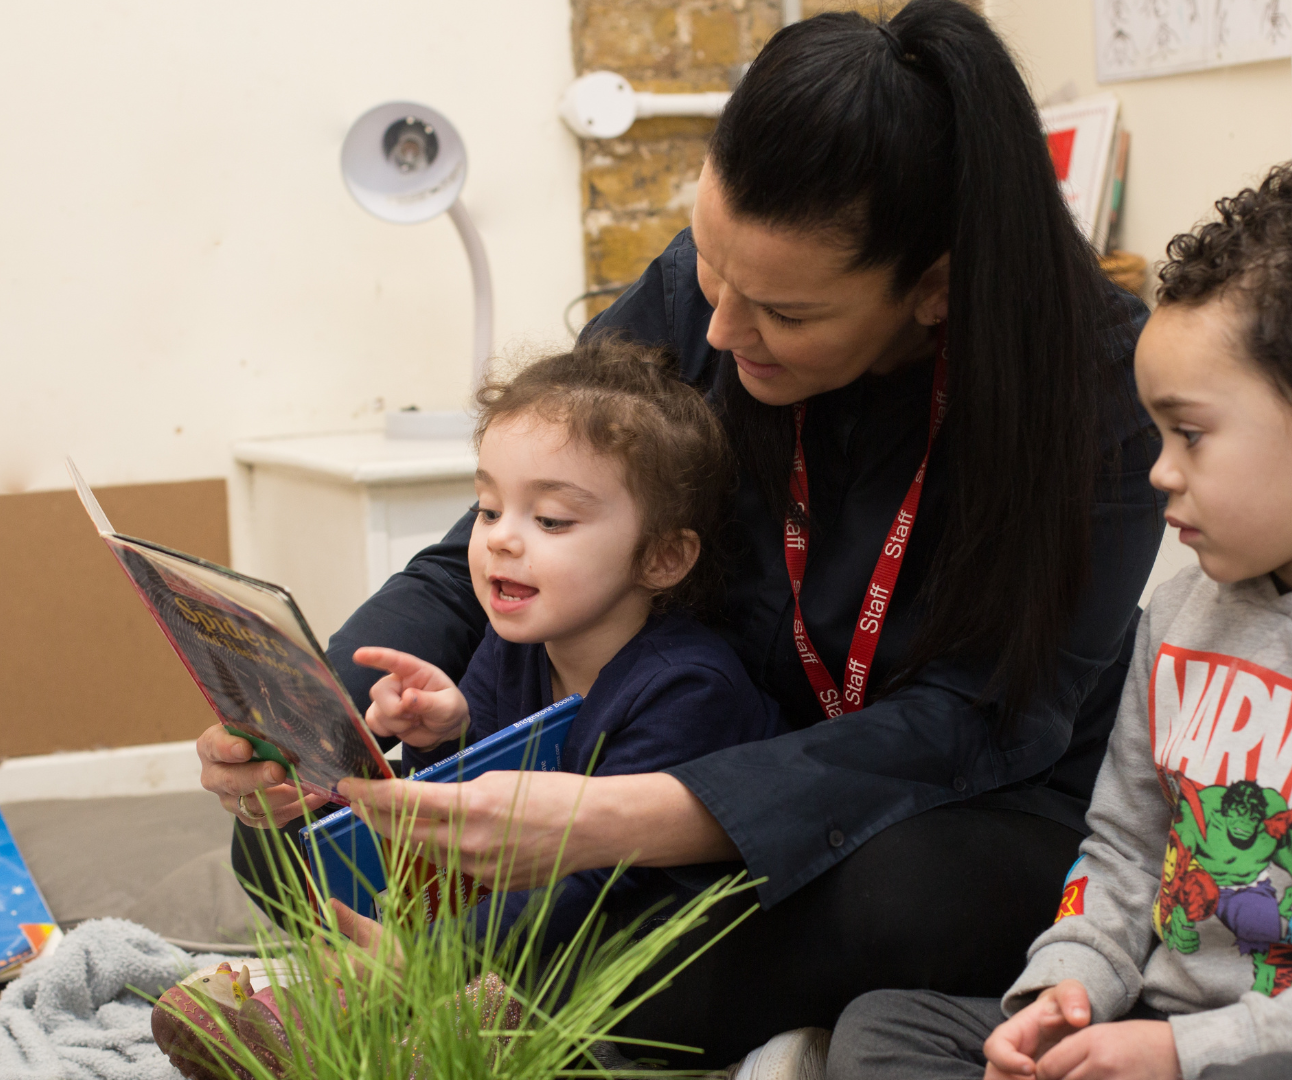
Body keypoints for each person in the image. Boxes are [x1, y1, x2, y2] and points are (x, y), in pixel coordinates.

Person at [199, 1, 1163, 1066]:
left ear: (932, 289)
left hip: (948, 805)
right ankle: (491, 990)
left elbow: (971, 725)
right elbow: (488, 541)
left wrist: (625, 819)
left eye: (783, 316)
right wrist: (311, 719)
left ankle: (454, 1007)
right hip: (703, 737)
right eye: (707, 263)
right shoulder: (713, 284)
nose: (716, 330)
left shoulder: (1094, 392)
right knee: (289, 838)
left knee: (899, 895)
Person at [827, 167, 1292, 1080]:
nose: (1158, 471)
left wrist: (1179, 1053)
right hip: (1152, 1019)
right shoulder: (1179, 614)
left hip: (1251, 1051)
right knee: (883, 1031)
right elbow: (1123, 844)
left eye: (1188, 434)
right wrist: (1063, 993)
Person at [349, 338, 782, 938]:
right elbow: (475, 829)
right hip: (537, 926)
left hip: (659, 947)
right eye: (488, 508)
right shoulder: (513, 649)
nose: (501, 538)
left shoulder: (689, 689)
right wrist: (440, 738)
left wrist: (427, 957)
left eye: (551, 519)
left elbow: (593, 887)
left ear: (662, 558)